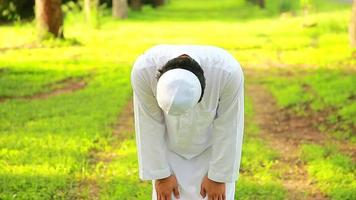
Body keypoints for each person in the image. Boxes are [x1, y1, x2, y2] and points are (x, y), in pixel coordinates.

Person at [131, 44, 244, 200]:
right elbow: (149, 123)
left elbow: (229, 125)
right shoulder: (144, 71)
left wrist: (218, 176)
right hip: (167, 149)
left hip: (212, 150)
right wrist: (161, 174)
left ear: (204, 87)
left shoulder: (227, 72)